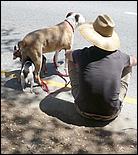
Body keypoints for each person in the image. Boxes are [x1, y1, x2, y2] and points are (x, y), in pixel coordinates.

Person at [65, 14, 137, 121]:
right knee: (129, 65)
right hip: (110, 114)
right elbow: (134, 61)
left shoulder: (83, 53)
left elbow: (67, 55)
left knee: (71, 60)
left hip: (82, 110)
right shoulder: (120, 56)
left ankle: (83, 91)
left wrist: (79, 62)